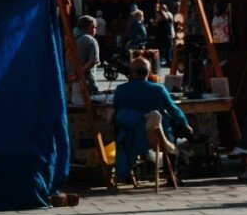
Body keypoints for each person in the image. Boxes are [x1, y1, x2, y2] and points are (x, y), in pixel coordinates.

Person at [109, 56, 191, 188]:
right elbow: (174, 110)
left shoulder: (121, 90)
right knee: (173, 130)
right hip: (157, 139)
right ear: (148, 72)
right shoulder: (158, 89)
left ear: (132, 72)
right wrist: (185, 126)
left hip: (130, 136)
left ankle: (130, 174)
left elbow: (115, 112)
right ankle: (172, 176)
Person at [72, 16, 102, 97]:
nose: (95, 30)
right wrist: (79, 74)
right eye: (94, 27)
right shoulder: (91, 40)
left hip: (69, 82)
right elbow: (93, 61)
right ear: (89, 27)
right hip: (86, 83)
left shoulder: (69, 37)